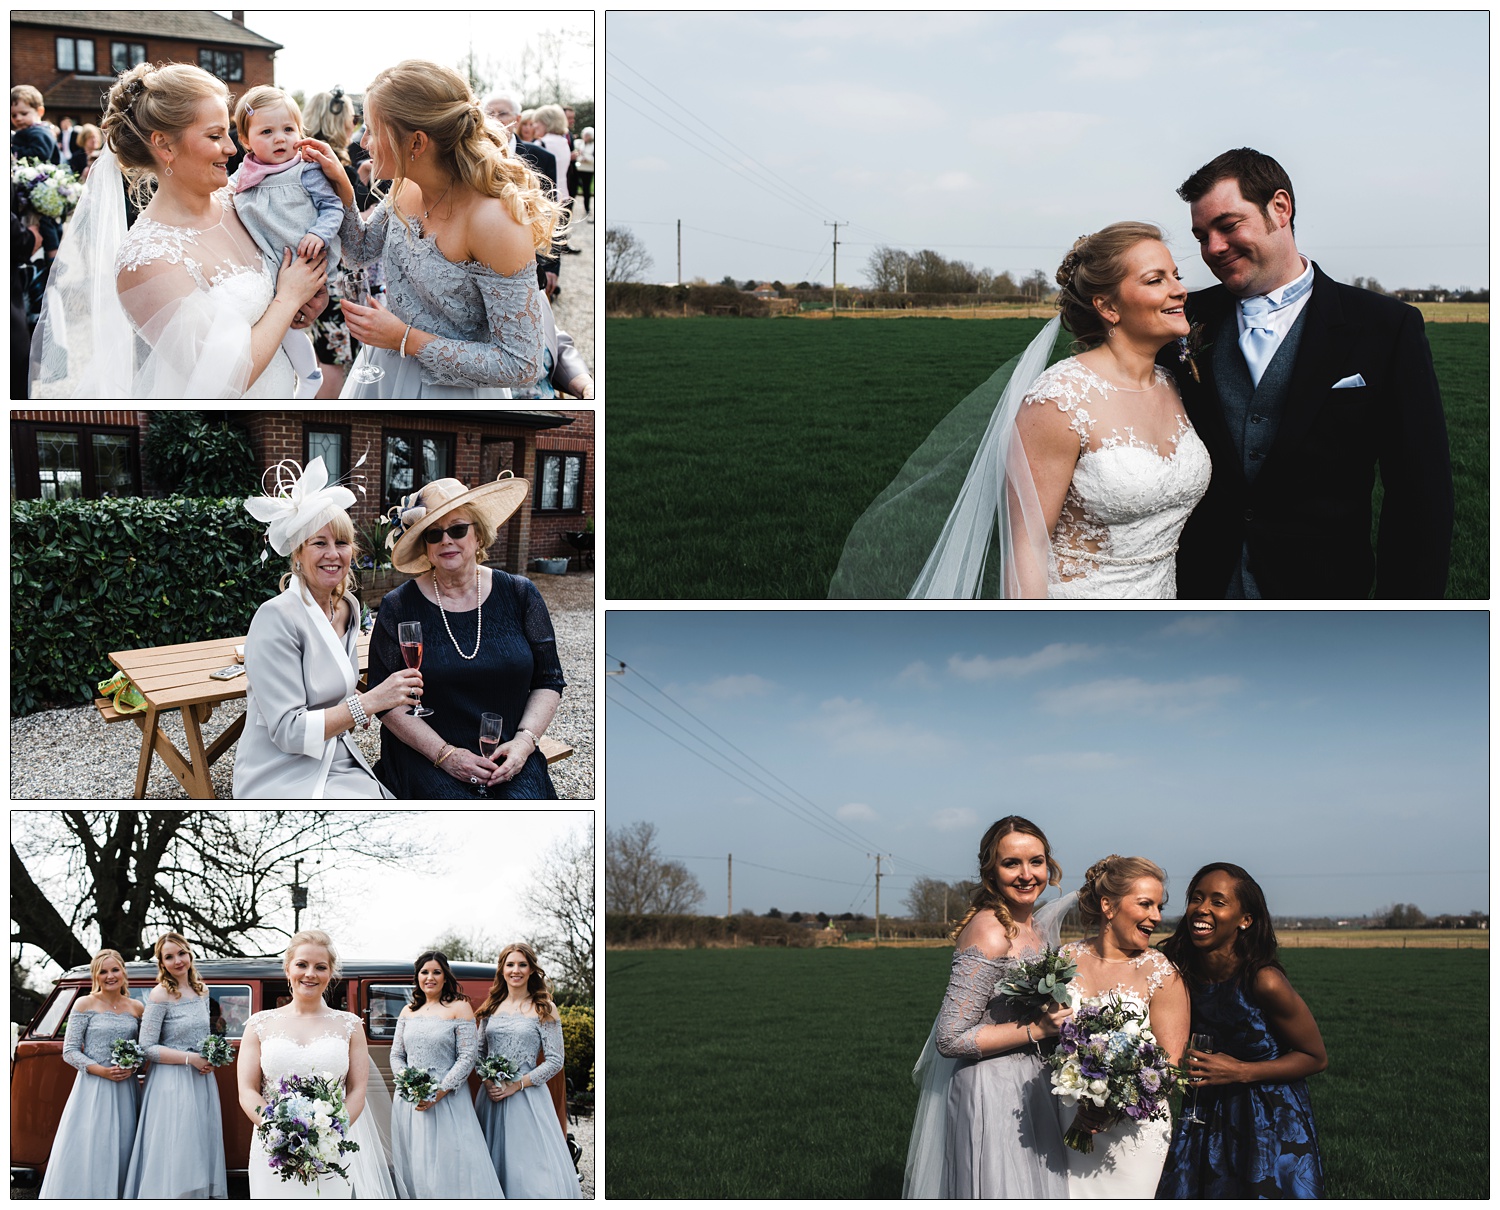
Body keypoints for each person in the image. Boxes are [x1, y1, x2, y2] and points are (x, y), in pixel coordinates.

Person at [830, 223, 1211, 598]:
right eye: (1155, 280)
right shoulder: (1059, 402)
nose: (1179, 290)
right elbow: (1027, 546)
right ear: (1108, 306)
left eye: (1175, 276)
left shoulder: (1172, 383)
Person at [1169, 147, 1453, 598]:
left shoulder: (1385, 327)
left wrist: (1407, 618)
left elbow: (1420, 494)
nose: (1213, 249)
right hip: (1197, 590)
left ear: (1280, 208)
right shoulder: (1182, 322)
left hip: (1323, 595)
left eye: (1228, 226)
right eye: (1202, 236)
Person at [28, 61, 326, 398]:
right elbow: (222, 382)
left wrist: (305, 302)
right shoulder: (146, 260)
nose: (231, 148)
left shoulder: (244, 201)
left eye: (228, 133)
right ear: (165, 146)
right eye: (215, 136)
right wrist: (288, 299)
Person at [296, 59, 565, 397]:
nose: (363, 142)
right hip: (385, 372)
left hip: (452, 396)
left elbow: (521, 364)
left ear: (417, 143)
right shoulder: (404, 186)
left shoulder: (495, 222)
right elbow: (360, 252)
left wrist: (404, 338)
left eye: (373, 130)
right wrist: (343, 190)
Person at [904, 816, 1074, 1198]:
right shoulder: (989, 930)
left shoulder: (1033, 927)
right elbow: (950, 1038)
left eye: (1036, 861)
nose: (1027, 874)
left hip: (1032, 1083)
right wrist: (1038, 1030)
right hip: (991, 1090)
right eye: (1011, 863)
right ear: (990, 872)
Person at [367, 473, 566, 798]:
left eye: (458, 529)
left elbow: (549, 680)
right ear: (425, 547)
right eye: (434, 534)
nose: (446, 540)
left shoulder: (520, 594)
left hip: (509, 751)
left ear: (479, 536)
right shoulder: (398, 606)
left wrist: (524, 743)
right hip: (426, 755)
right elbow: (385, 702)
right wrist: (445, 755)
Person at [234, 457, 420, 798]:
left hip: (335, 754)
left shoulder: (347, 606)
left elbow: (333, 686)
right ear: (298, 553)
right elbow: (289, 731)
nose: (332, 554)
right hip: (280, 769)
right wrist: (370, 702)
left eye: (341, 543)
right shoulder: (275, 617)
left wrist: (357, 702)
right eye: (319, 543)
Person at [1155, 863, 1327, 1197]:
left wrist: (1241, 1071)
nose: (1201, 909)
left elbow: (1315, 1057)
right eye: (1196, 898)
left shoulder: (1264, 981)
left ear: (1245, 919)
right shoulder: (1177, 971)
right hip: (1204, 1109)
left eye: (1218, 902)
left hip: (1266, 1116)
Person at [1055, 856, 1189, 1197]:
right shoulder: (1065, 959)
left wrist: (1111, 1107)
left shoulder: (1161, 973)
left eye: (1159, 906)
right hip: (1066, 1118)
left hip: (1134, 1135)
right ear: (1108, 906)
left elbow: (1170, 1066)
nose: (1156, 917)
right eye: (1145, 904)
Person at [237, 929, 399, 1198]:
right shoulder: (258, 1024)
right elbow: (247, 1090)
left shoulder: (350, 1025)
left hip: (332, 1148)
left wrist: (329, 1133)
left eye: (320, 967)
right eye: (302, 964)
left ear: (330, 973)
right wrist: (280, 1132)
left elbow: (358, 1089)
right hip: (272, 1148)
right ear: (288, 969)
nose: (310, 973)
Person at [229, 85, 343, 399]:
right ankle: (306, 377)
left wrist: (319, 233)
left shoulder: (306, 171)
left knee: (289, 327)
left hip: (303, 259)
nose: (280, 138)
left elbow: (332, 207)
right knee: (275, 327)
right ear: (244, 140)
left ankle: (308, 378)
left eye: (288, 129)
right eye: (267, 131)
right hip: (269, 266)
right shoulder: (242, 176)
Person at [388, 951, 504, 1197]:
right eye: (424, 972)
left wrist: (438, 1092)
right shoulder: (408, 1011)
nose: (430, 977)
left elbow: (467, 1056)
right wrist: (409, 1085)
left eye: (436, 972)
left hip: (447, 1098)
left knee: (449, 1157)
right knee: (415, 1157)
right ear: (417, 977)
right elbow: (397, 1055)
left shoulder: (459, 1007)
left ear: (445, 977)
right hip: (410, 1100)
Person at [123, 932, 226, 1198]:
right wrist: (191, 1059)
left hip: (200, 1080)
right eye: (169, 957)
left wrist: (210, 1059)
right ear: (162, 963)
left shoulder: (202, 991)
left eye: (181, 953)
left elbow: (203, 1035)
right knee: (174, 1146)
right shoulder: (160, 995)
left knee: (197, 1145)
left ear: (190, 954)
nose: (177, 960)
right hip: (171, 1082)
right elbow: (147, 1047)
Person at [473, 943, 581, 1198]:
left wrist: (516, 1085)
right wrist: (488, 1081)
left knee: (530, 1168)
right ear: (502, 970)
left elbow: (555, 1060)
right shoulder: (491, 1006)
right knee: (490, 1164)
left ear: (532, 969)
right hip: (491, 1098)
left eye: (522, 964)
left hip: (527, 1097)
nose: (516, 970)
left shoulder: (544, 1007)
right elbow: (478, 1053)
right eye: (510, 964)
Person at [38, 950, 144, 1199]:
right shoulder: (84, 1003)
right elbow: (70, 1051)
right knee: (92, 1143)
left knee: (123, 1143)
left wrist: (133, 1066)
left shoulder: (137, 1007)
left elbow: (143, 1049)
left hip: (125, 1087)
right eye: (103, 971)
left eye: (114, 970)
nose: (110, 976)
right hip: (93, 1086)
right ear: (96, 975)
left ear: (123, 972)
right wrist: (102, 1071)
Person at [575, 126, 594, 220]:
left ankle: (587, 209)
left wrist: (588, 158)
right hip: (578, 168)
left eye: (588, 136)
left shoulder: (594, 145)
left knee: (586, 190)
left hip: (588, 169)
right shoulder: (579, 143)